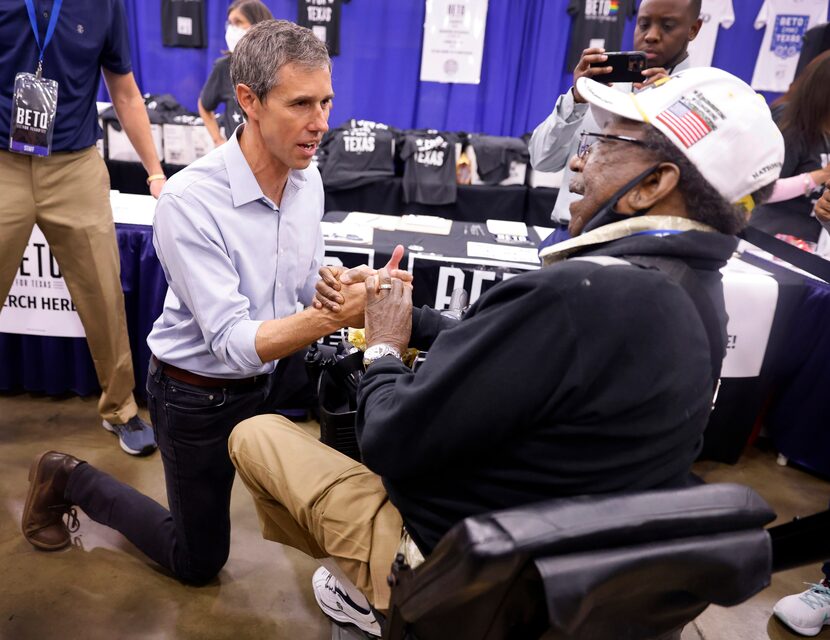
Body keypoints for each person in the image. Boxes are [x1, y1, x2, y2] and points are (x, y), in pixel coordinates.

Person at [225, 67, 784, 636]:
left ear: (652, 185)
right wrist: (410, 319)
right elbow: (517, 359)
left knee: (255, 436)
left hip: (463, 570)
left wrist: (386, 350)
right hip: (561, 570)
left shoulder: (580, 297)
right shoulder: (695, 293)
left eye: (602, 142)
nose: (577, 162)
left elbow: (389, 437)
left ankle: (374, 593)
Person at [19, 19, 380, 586]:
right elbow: (233, 342)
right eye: (302, 104)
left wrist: (335, 283)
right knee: (198, 562)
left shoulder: (307, 180)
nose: (321, 124)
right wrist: (333, 317)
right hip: (195, 396)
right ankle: (66, 477)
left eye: (327, 102)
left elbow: (303, 273)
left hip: (264, 380)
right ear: (248, 101)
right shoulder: (190, 203)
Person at [0, 0, 164, 455]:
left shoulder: (105, 6)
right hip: (3, 163)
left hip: (74, 165)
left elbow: (125, 93)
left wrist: (155, 173)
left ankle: (122, 409)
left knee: (103, 292)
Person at [528, 0, 702, 244]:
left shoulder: (698, 97)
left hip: (637, 247)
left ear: (694, 29)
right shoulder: (600, 86)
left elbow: (694, 191)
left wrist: (668, 106)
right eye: (643, 24)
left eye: (668, 25)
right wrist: (576, 98)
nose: (651, 35)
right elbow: (542, 160)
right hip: (565, 235)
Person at [749, 50, 830, 244]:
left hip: (809, 246)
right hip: (768, 242)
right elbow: (761, 191)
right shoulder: (794, 126)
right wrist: (819, 176)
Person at [197, 0, 272, 148]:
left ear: (258, 24)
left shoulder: (277, 65)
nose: (232, 29)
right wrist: (218, 140)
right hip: (239, 157)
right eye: (230, 23)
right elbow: (204, 105)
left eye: (238, 22)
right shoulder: (224, 67)